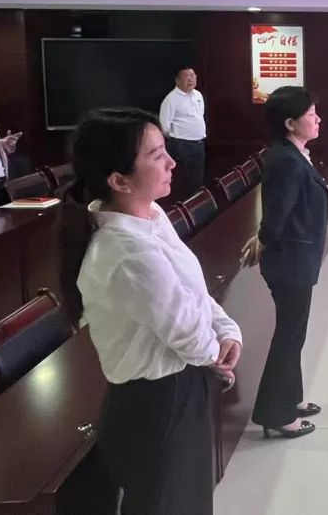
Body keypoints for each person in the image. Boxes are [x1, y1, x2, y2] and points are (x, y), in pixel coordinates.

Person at [59, 108, 241, 514]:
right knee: (167, 503)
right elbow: (186, 333)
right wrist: (215, 354)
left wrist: (227, 329)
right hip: (157, 404)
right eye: (157, 155)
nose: (172, 162)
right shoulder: (126, 251)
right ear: (119, 180)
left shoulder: (151, 215)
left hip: (181, 384)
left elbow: (190, 290)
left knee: (190, 499)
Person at [252, 87, 328, 439]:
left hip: (298, 259)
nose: (317, 119)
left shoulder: (294, 154)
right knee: (288, 336)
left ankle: (292, 399)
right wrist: (262, 240)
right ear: (289, 123)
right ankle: (276, 413)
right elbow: (276, 215)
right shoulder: (285, 160)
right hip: (290, 263)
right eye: (310, 115)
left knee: (294, 334)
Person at [160, 67, 206, 201]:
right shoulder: (171, 99)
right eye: (186, 76)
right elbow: (164, 126)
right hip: (181, 145)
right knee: (183, 182)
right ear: (177, 80)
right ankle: (182, 208)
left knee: (197, 180)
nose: (191, 79)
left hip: (199, 144)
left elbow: (200, 115)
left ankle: (196, 206)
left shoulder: (198, 95)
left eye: (193, 75)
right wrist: (178, 139)